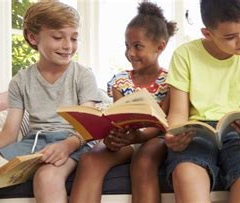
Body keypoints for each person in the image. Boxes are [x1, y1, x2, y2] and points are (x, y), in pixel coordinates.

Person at [0, 2, 100, 203]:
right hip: (32, 143)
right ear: (33, 37)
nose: (68, 45)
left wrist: (67, 146)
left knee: (46, 177)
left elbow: (88, 126)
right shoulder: (20, 81)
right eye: (58, 37)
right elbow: (8, 134)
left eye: (74, 38)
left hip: (74, 141)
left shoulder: (83, 75)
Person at [163, 0, 240, 202]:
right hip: (196, 132)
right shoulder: (184, 55)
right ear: (207, 34)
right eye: (230, 37)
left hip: (238, 132)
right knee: (186, 174)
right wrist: (172, 134)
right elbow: (177, 113)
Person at [69, 2, 176, 203]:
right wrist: (113, 137)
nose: (130, 53)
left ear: (159, 47)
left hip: (155, 140)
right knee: (90, 159)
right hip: (126, 140)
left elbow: (161, 124)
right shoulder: (120, 81)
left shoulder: (170, 81)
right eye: (127, 46)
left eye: (138, 46)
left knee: (144, 160)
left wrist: (138, 136)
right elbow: (119, 119)